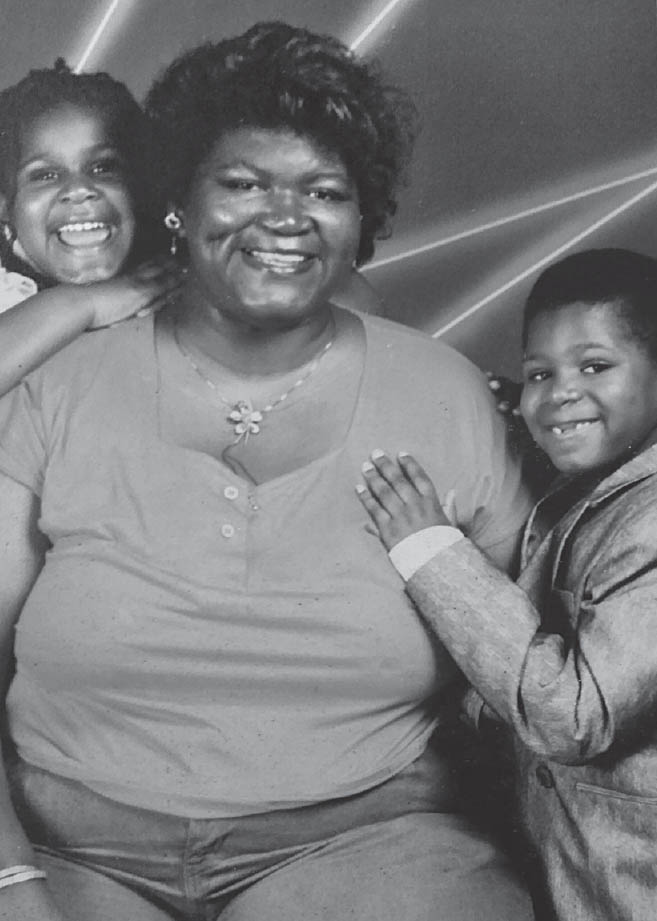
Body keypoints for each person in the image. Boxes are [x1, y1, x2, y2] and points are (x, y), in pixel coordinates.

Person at [0, 22, 533, 921]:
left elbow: (531, 660)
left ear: (360, 220)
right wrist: (11, 877)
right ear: (179, 202)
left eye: (323, 191)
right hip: (68, 844)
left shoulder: (439, 391)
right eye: (243, 183)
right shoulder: (56, 378)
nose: (285, 216)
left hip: (358, 840)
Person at [358, 247, 657, 921]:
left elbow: (571, 716)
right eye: (539, 374)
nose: (560, 392)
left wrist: (430, 548)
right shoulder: (597, 481)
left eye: (594, 366)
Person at [0, 59, 178, 396]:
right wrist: (85, 304)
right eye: (45, 175)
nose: (79, 189)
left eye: (103, 167)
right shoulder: (5, 294)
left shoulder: (176, 293)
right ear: (5, 206)